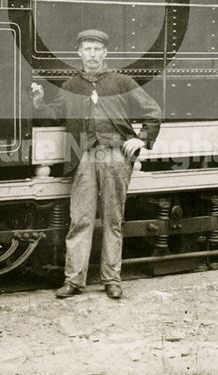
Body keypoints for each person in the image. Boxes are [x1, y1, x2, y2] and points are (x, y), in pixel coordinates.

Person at [31, 29, 162, 300]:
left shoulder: (122, 82)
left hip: (115, 156)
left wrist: (141, 139)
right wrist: (38, 103)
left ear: (105, 53)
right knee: (80, 219)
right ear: (79, 53)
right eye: (86, 49)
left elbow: (153, 112)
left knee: (113, 219)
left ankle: (112, 279)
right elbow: (54, 115)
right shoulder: (70, 86)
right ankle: (74, 280)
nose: (91, 54)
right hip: (84, 157)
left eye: (96, 49)